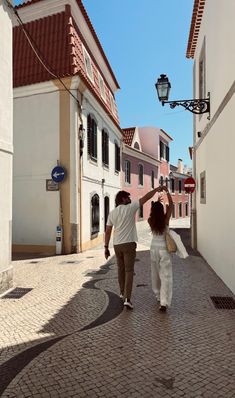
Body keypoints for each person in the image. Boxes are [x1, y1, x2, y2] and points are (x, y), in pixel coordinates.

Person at [104, 187, 162, 309]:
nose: (130, 199)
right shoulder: (130, 208)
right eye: (128, 197)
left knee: (121, 269)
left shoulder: (112, 213)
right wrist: (157, 189)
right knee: (129, 271)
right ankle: (127, 299)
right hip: (129, 244)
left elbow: (108, 231)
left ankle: (121, 292)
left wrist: (106, 247)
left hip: (117, 245)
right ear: (123, 199)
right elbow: (146, 197)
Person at [148, 186, 173, 312]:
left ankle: (157, 295)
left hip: (153, 249)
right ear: (161, 210)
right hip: (164, 249)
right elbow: (172, 206)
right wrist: (167, 192)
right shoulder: (165, 220)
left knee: (155, 273)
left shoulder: (150, 220)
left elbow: (155, 211)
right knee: (165, 275)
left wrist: (157, 202)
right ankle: (163, 302)